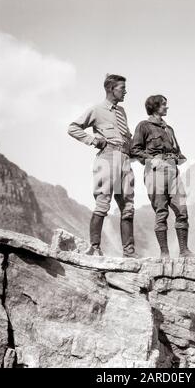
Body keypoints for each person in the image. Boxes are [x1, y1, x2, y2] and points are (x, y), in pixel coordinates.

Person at [68, 74, 136, 257]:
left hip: (124, 159)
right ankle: (95, 248)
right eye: (122, 88)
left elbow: (126, 136)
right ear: (110, 89)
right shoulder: (97, 110)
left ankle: (129, 252)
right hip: (107, 158)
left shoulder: (122, 112)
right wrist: (93, 140)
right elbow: (73, 127)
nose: (125, 91)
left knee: (128, 206)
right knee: (102, 203)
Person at [131, 95, 194, 258]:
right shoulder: (143, 126)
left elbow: (177, 151)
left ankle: (184, 251)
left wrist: (178, 158)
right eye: (164, 105)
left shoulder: (169, 129)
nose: (167, 108)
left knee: (182, 210)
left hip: (173, 173)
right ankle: (164, 253)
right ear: (155, 107)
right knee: (161, 212)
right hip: (155, 173)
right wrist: (152, 160)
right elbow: (135, 150)